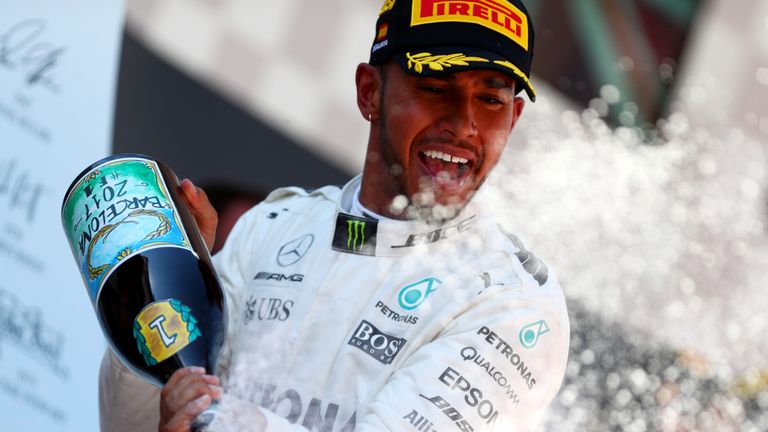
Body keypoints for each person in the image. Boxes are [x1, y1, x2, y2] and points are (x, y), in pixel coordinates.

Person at [99, 0, 570, 431]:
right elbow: (131, 426)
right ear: (369, 92)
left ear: (513, 118)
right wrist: (166, 278)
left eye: (491, 100)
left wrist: (212, 417)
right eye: (434, 87)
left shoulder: (514, 300)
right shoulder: (274, 226)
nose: (464, 124)